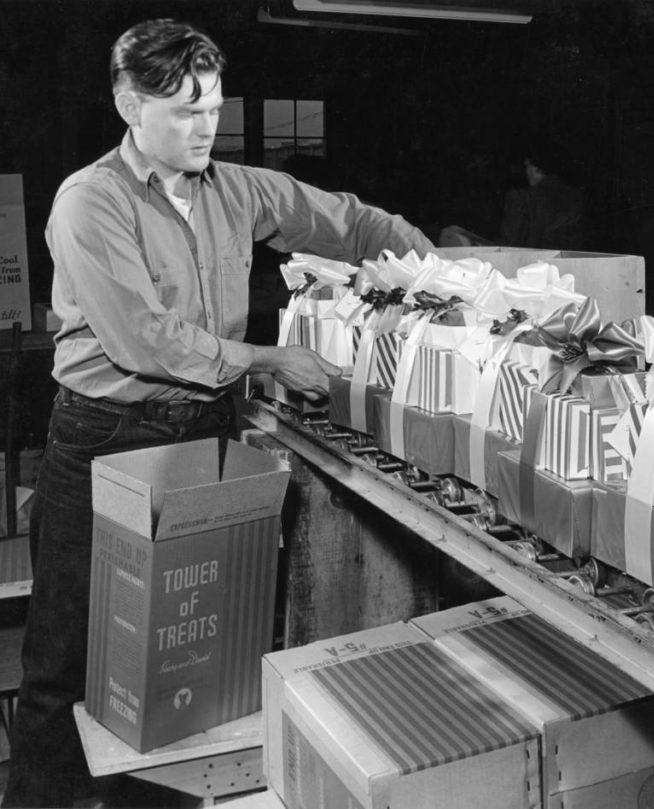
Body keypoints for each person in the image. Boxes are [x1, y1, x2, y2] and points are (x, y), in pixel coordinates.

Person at [2, 19, 432, 809]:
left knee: (184, 653)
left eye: (214, 108)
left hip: (202, 430)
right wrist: (270, 359)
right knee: (69, 652)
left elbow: (347, 220)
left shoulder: (238, 190)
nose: (206, 128)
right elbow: (145, 341)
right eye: (184, 112)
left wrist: (441, 272)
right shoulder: (88, 202)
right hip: (106, 438)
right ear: (130, 106)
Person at [497, 141, 585, 249]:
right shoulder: (575, 198)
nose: (526, 172)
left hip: (531, 264)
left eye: (527, 166)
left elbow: (509, 245)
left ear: (535, 168)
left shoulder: (521, 199)